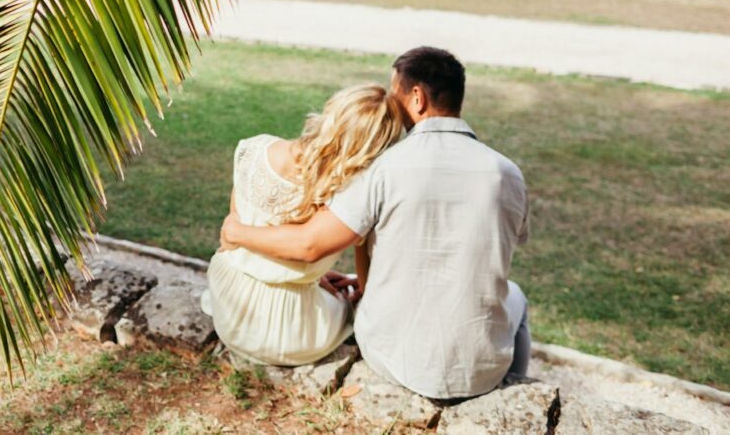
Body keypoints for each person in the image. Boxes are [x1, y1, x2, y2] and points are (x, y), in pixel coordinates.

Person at [218, 47, 530, 399]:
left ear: (417, 97)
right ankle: (514, 386)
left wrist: (237, 231)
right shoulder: (508, 173)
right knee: (515, 295)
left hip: (392, 357)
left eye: (394, 90)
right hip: (479, 373)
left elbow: (310, 244)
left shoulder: (384, 169)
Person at [202, 84, 406, 366]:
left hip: (227, 301)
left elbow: (237, 238)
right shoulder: (346, 195)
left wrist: (313, 276)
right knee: (349, 306)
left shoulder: (255, 148)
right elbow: (306, 248)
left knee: (333, 287)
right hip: (282, 330)